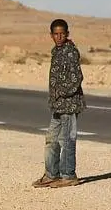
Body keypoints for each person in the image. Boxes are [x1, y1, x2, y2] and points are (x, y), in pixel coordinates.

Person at [32, 19, 85, 188]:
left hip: (69, 105)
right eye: (56, 34)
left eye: (62, 33)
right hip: (57, 105)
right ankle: (51, 174)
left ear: (67, 34)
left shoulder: (70, 52)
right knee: (51, 140)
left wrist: (62, 93)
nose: (59, 36)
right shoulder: (57, 51)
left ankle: (68, 175)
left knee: (67, 140)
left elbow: (77, 78)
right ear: (51, 35)